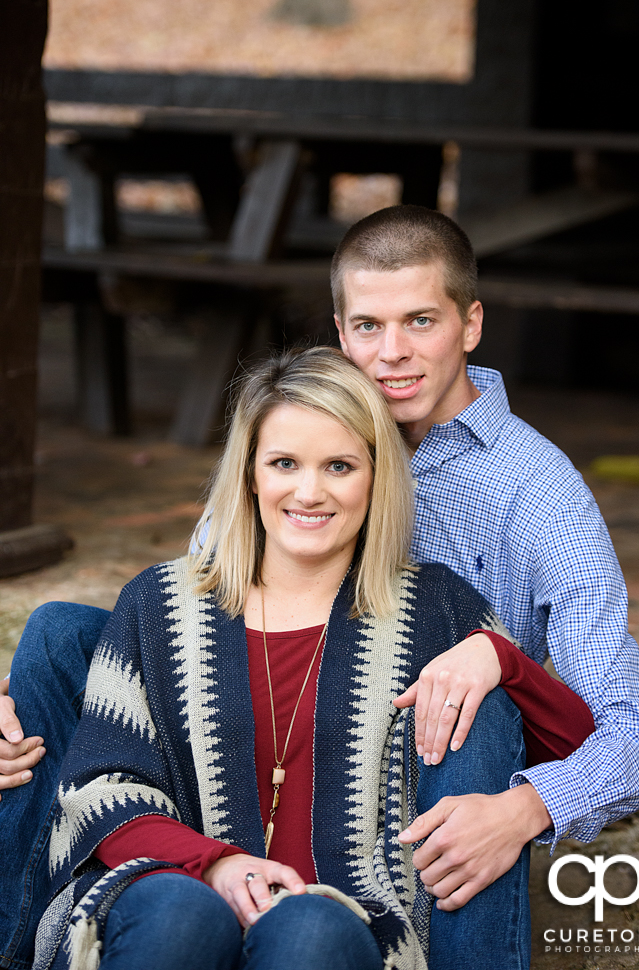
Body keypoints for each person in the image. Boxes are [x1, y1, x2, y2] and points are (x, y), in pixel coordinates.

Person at [1, 205, 639, 964]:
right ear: (340, 331)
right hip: (259, 740)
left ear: (470, 324)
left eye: (419, 321)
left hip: (414, 763)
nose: (391, 355)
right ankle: (28, 936)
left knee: (471, 709)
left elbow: (631, 745)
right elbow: (190, 622)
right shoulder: (291, 436)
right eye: (368, 328)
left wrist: (522, 801)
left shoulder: (537, 494)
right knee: (56, 639)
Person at [30, 347, 593, 970]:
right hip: (177, 882)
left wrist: (500, 657)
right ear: (250, 473)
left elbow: (575, 743)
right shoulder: (160, 603)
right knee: (183, 916)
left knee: (308, 934)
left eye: (340, 466)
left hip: (349, 916)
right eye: (284, 463)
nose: (309, 491)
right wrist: (214, 863)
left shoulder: (433, 609)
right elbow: (101, 785)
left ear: (376, 476)